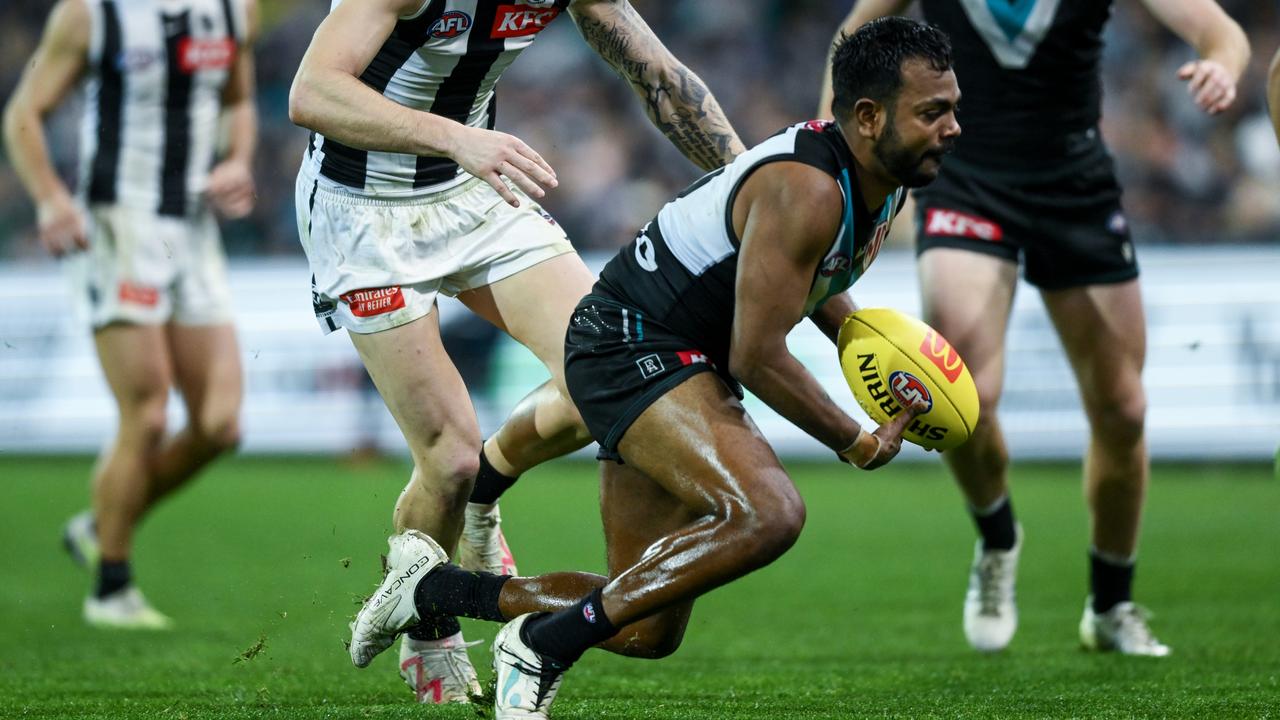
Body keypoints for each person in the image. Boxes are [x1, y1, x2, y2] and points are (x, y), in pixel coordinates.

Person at [345, 17, 958, 719]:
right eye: (933, 112)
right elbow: (757, 355)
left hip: (676, 356)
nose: (952, 128)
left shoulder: (882, 179)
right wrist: (853, 437)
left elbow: (805, 284)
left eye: (952, 109)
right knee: (771, 513)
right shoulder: (807, 187)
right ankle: (543, 643)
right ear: (871, 117)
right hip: (634, 344)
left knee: (643, 625)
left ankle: (432, 591)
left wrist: (859, 336)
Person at [287, 0, 743, 704]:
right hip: (364, 208)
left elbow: (657, 73)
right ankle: (429, 626)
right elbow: (312, 90)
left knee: (612, 376)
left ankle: (484, 500)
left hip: (475, 191)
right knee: (448, 458)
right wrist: (456, 138)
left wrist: (760, 185)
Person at [820, 0, 1249, 656]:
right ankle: (997, 539)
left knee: (1124, 408)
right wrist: (837, 153)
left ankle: (1110, 603)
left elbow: (1220, 32)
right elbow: (852, 35)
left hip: (1074, 181)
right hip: (963, 177)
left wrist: (1222, 64)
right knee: (963, 397)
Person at [3, 0, 258, 629]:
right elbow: (23, 114)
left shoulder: (234, 10)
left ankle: (100, 521)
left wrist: (237, 160)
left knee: (221, 425)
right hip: (119, 227)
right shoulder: (92, 14)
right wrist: (50, 200)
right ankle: (110, 585)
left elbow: (238, 101)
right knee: (146, 413)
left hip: (192, 230)